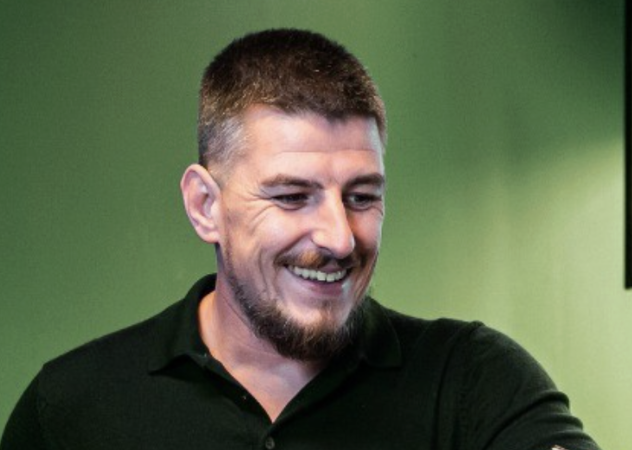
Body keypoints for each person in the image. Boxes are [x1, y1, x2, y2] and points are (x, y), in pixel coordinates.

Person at [1, 29, 600, 450]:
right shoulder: (72, 407)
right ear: (205, 206)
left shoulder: (474, 381)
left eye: (361, 196)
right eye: (291, 196)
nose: (339, 239)